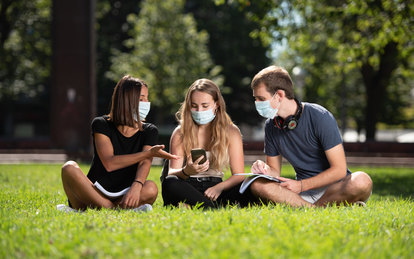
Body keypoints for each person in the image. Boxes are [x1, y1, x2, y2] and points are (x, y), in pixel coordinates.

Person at [248, 65, 373, 207]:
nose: (257, 103)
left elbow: (339, 170)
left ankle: (310, 207)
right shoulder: (271, 126)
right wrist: (264, 169)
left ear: (280, 95)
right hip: (303, 194)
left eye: (261, 98)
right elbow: (274, 172)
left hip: (336, 189)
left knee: (362, 180)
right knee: (257, 184)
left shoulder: (319, 116)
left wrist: (301, 185)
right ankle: (320, 208)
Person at [58, 75, 178, 212]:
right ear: (125, 101)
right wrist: (147, 154)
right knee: (68, 168)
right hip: (95, 190)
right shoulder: (101, 124)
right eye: (140, 99)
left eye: (147, 98)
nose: (146, 103)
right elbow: (110, 163)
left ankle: (108, 208)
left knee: (151, 188)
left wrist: (137, 185)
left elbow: (145, 163)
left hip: (125, 193)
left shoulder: (149, 130)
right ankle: (111, 208)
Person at [161, 78, 258, 209]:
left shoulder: (231, 131)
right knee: (169, 183)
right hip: (188, 186)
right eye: (194, 106)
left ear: (216, 104)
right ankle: (212, 208)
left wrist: (219, 188)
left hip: (218, 188)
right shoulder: (180, 132)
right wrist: (186, 171)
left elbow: (239, 175)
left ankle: (206, 206)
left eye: (205, 106)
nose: (199, 111)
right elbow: (171, 173)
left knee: (252, 187)